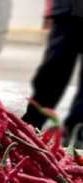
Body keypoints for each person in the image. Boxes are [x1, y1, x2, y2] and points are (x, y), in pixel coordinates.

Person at [22, 0, 83, 138]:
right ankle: (32, 122)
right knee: (52, 72)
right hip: (67, 12)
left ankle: (77, 129)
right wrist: (49, 10)